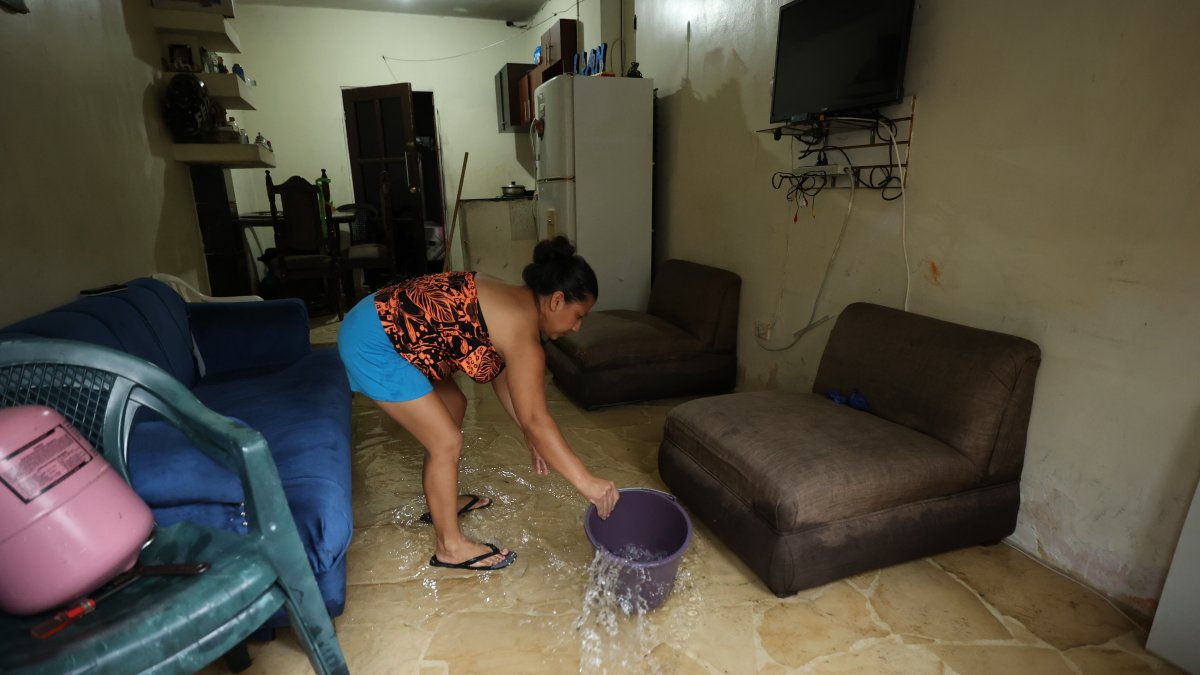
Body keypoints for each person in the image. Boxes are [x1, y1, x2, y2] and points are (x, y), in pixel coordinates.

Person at [337, 236, 620, 571]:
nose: (577, 327)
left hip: (380, 320)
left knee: (452, 406)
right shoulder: (523, 335)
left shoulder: (510, 298)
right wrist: (586, 481)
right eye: (578, 315)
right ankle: (449, 547)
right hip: (375, 343)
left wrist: (529, 433)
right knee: (445, 441)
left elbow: (504, 377)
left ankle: (443, 501)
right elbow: (536, 417)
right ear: (557, 300)